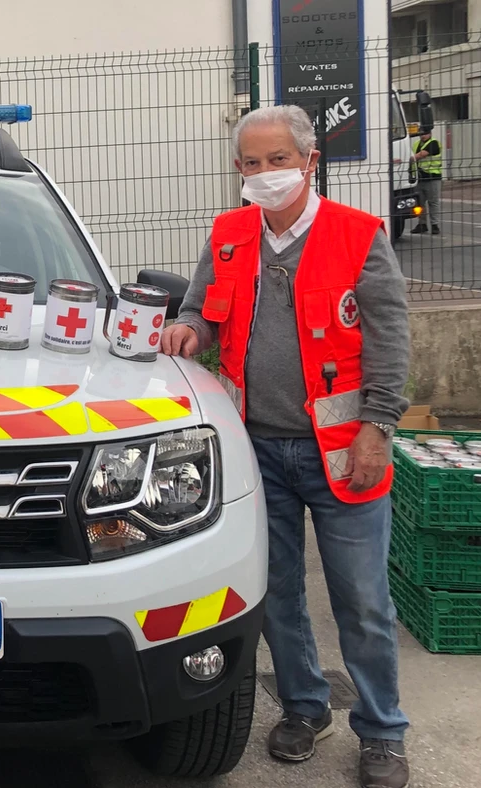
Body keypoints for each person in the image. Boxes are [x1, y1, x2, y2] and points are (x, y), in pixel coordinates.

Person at [161, 105, 411, 788]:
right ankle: (304, 707)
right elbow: (202, 313)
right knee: (274, 593)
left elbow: (390, 343)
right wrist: (188, 332)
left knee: (362, 600)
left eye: (278, 160)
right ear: (238, 169)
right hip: (254, 451)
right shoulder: (230, 236)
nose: (265, 173)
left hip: (343, 453)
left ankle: (383, 731)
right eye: (252, 162)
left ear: (309, 161)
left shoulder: (358, 236)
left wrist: (378, 428)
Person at [411, 128, 441, 235]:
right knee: (420, 203)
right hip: (419, 178)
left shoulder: (433, 143)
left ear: (430, 134)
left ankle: (434, 225)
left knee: (433, 202)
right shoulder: (416, 144)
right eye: (421, 133)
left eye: (425, 133)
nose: (423, 136)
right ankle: (422, 224)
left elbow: (420, 155)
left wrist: (406, 159)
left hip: (432, 177)